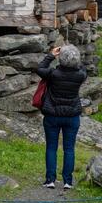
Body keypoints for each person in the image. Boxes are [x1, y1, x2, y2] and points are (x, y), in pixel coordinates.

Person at [36, 44, 87, 190]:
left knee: (51, 148)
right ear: (76, 60)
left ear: (60, 59)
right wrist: (74, 55)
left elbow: (40, 69)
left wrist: (51, 55)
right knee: (69, 149)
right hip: (72, 116)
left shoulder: (53, 73)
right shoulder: (80, 76)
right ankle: (68, 182)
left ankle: (50, 180)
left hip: (52, 115)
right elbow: (82, 67)